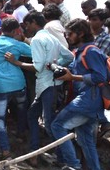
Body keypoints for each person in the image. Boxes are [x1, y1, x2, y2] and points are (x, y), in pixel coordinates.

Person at [5, 11, 73, 161]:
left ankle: (65, 159)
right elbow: (69, 56)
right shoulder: (52, 38)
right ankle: (34, 151)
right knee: (32, 115)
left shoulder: (37, 40)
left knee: (50, 123)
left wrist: (16, 62)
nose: (26, 28)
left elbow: (37, 67)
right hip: (51, 84)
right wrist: (56, 65)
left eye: (27, 25)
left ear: (34, 23)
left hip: (47, 85)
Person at [50, 19, 107, 170]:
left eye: (70, 34)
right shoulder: (81, 51)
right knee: (86, 140)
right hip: (90, 101)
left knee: (57, 126)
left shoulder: (91, 51)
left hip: (88, 100)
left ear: (81, 34)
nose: (67, 37)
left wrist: (72, 77)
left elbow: (100, 77)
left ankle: (73, 165)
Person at [0, 18, 32, 158]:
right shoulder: (18, 44)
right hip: (19, 84)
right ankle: (20, 135)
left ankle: (5, 149)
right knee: (21, 109)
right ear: (15, 31)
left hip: (0, 85)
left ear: (1, 29)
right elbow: (35, 52)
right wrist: (24, 39)